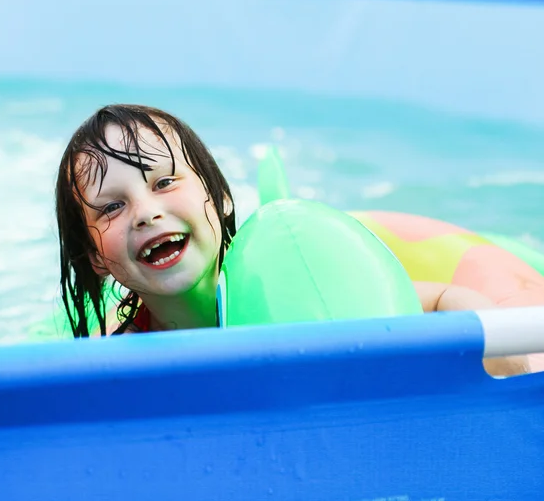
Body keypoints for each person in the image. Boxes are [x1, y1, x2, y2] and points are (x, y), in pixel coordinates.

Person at [55, 104, 529, 376]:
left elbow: (443, 297)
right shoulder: (114, 357)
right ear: (95, 256)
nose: (147, 212)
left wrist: (507, 367)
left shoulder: (284, 286)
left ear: (220, 198)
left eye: (164, 183)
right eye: (112, 207)